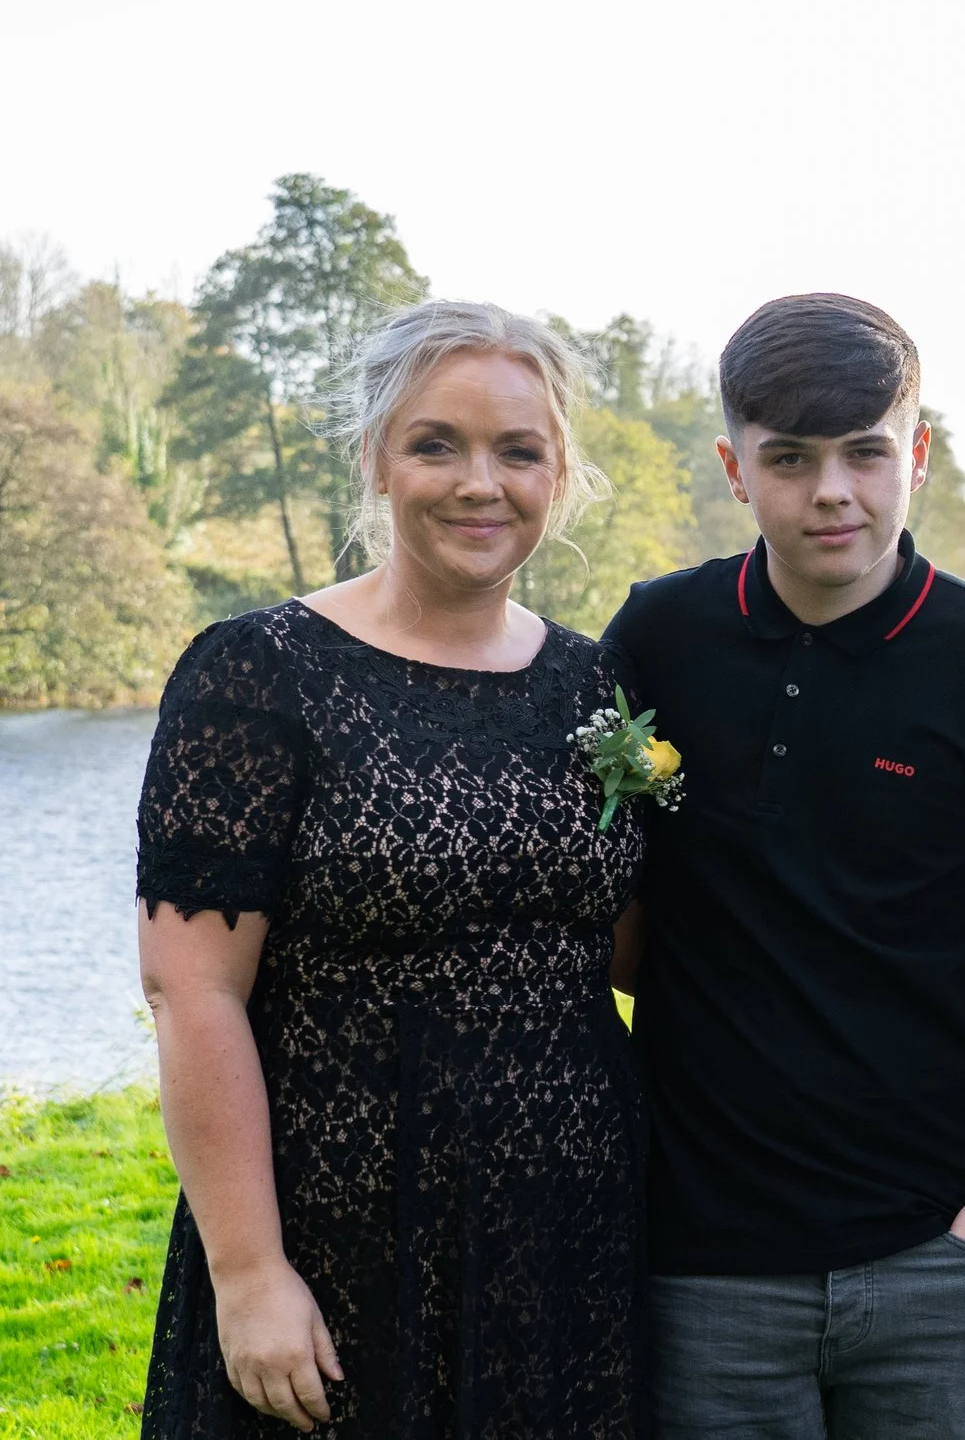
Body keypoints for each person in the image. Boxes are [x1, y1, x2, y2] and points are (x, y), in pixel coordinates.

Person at [137, 301, 647, 1436]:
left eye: (519, 450)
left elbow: (625, 947)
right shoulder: (258, 673)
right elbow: (192, 989)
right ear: (377, 458)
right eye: (436, 444)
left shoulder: (591, 686)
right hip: (339, 1231)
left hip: (567, 1233)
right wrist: (250, 1270)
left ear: (558, 473)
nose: (482, 482)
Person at [603, 293, 965, 1440]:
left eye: (866, 452)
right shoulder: (657, 636)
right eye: (789, 458)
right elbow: (607, 908)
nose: (832, 493)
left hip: (934, 1247)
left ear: (914, 450)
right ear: (733, 464)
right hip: (703, 1254)